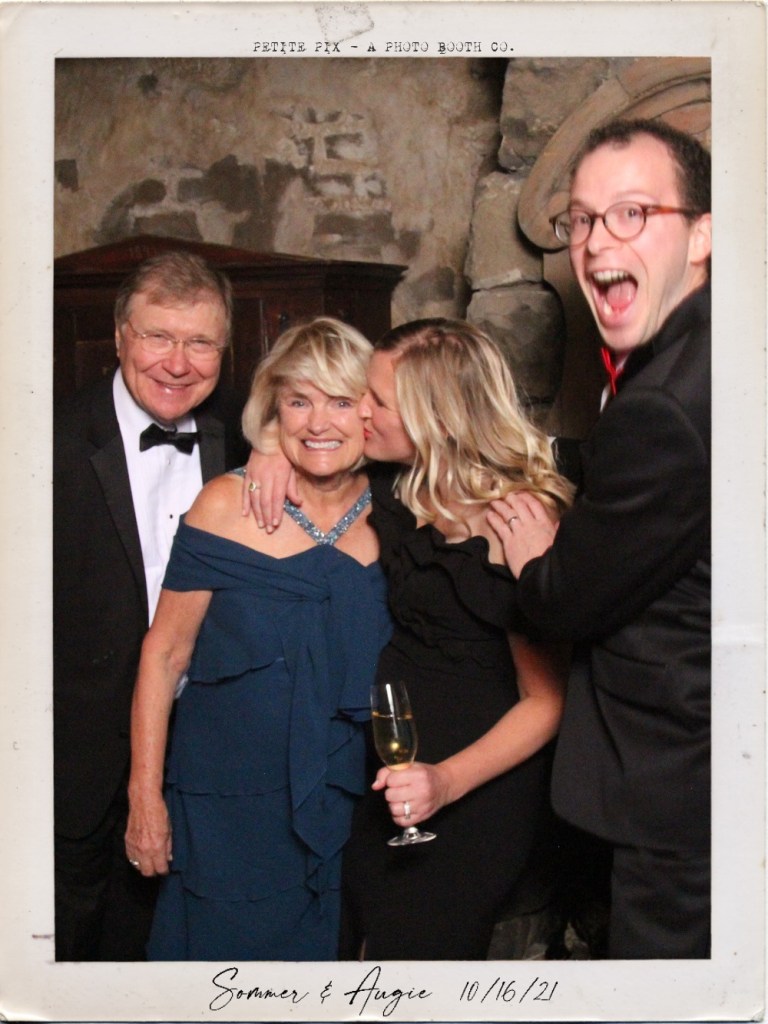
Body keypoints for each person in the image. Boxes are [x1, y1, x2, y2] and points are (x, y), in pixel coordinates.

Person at [245, 318, 574, 959]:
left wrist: (444, 782)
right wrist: (269, 449)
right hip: (392, 781)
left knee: (417, 969)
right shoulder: (403, 491)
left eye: (377, 401)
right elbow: (313, 441)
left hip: (471, 793)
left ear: (437, 418)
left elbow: (548, 702)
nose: (360, 411)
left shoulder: (519, 521)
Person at [487, 118, 712, 959]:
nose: (595, 241)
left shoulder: (665, 404)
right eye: (580, 219)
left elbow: (567, 601)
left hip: (681, 793)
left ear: (702, 235)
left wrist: (537, 555)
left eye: (632, 213)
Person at [124, 317, 392, 961]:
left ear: (372, 411)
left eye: (340, 401)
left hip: (350, 803)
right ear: (274, 411)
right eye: (298, 401)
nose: (317, 423)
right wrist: (145, 796)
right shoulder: (225, 505)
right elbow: (164, 655)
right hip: (226, 805)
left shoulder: (401, 513)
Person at [53, 250, 245, 961]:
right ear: (118, 336)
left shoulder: (248, 438)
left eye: (200, 342)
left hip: (207, 757)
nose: (178, 363)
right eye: (157, 336)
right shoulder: (43, 443)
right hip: (75, 769)